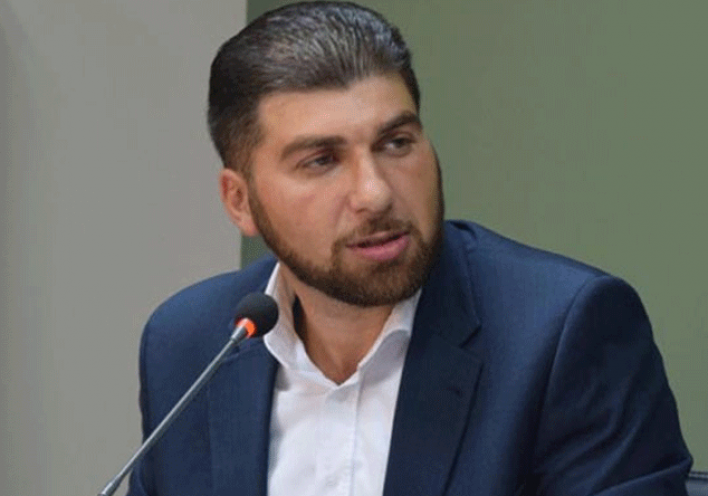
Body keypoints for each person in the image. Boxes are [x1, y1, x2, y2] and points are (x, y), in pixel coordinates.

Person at [127, 2, 691, 495]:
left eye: (396, 143)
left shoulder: (563, 333)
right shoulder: (190, 345)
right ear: (241, 201)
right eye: (321, 161)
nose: (374, 194)